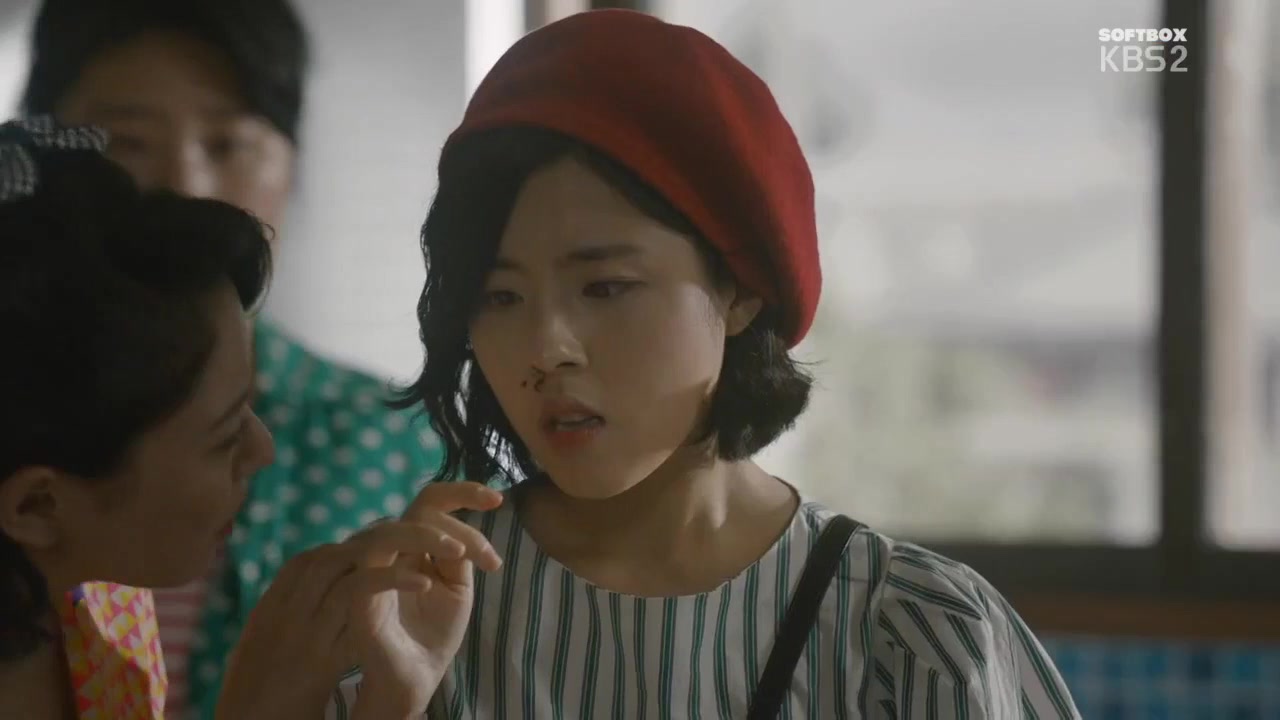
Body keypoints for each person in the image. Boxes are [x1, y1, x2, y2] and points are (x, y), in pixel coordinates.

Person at [329, 9, 1083, 719]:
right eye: (500, 297)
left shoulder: (904, 630)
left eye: (604, 287)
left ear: (740, 288)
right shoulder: (408, 603)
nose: (547, 348)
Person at [19, 1, 453, 715]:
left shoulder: (400, 445)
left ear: (291, 161)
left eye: (227, 144)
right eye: (126, 140)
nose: (183, 187)